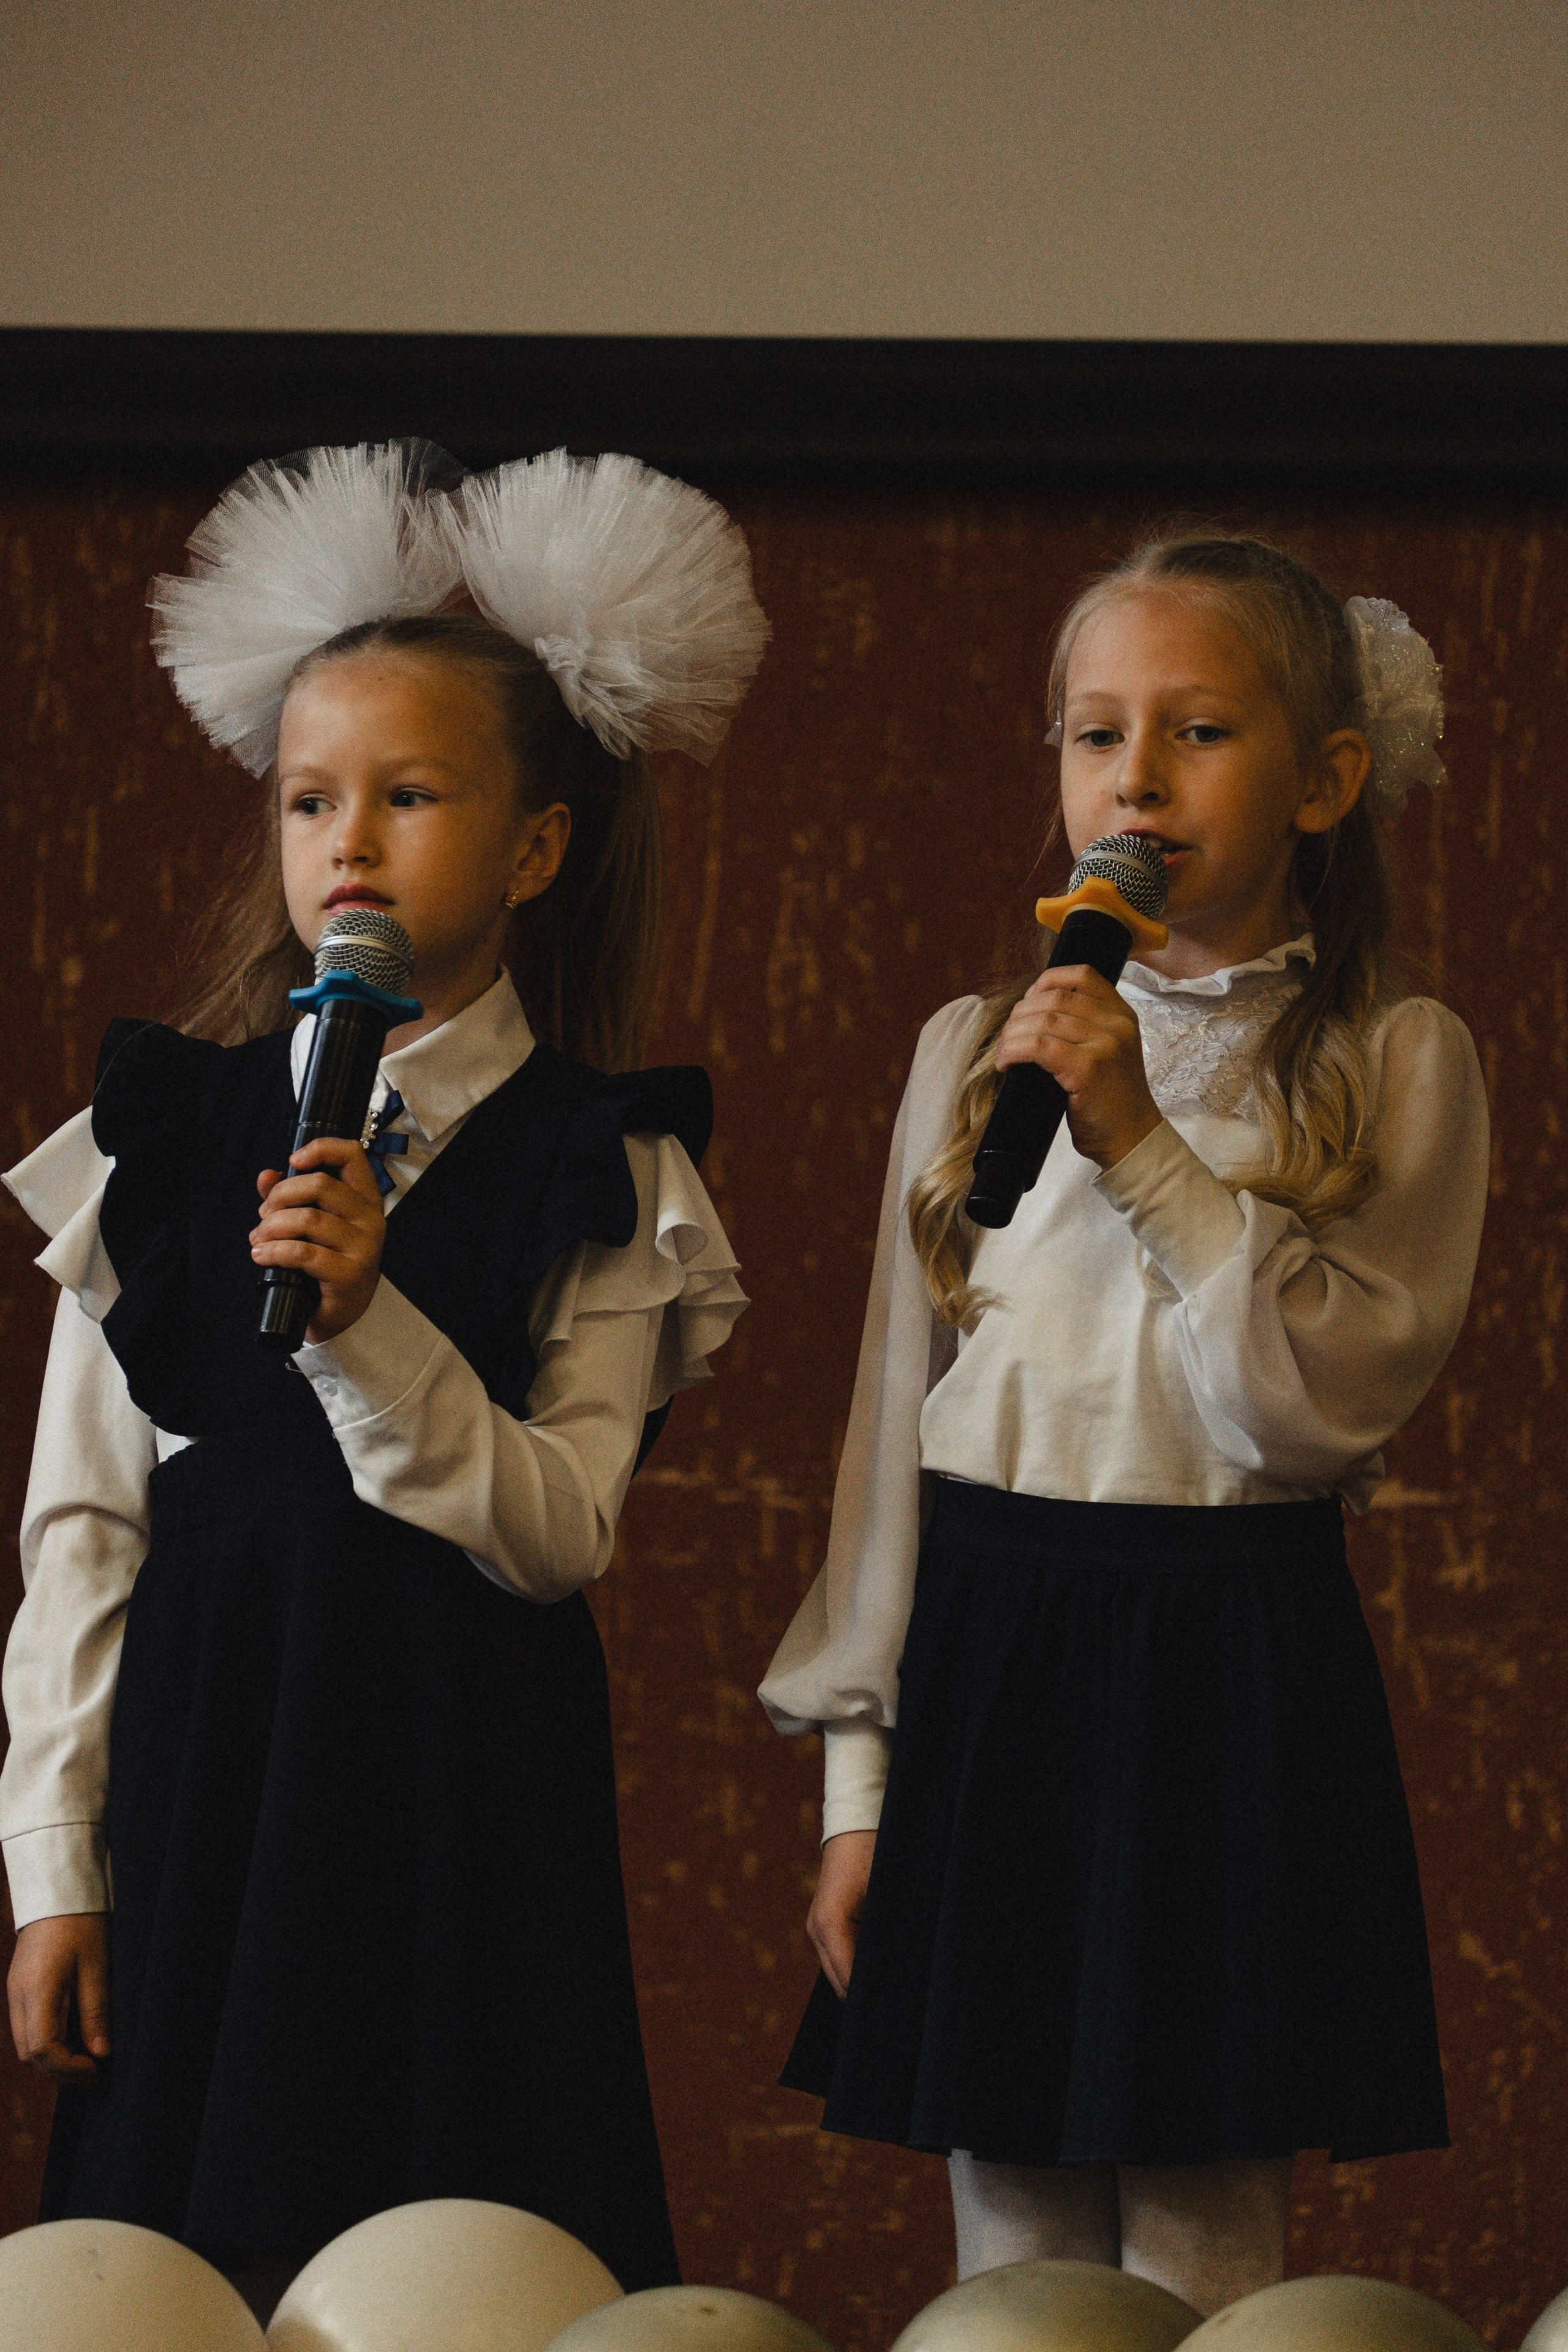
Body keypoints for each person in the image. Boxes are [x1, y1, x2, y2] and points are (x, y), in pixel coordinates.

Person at [2, 439, 767, 2313]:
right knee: (189, 2266)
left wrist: (371, 1329)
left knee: (470, 2262)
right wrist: (52, 1862)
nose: (346, 843)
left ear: (534, 847)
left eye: (409, 797)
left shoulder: (609, 1162)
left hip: (453, 1804)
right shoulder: (170, 1135)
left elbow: (558, 1525)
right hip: (212, 1787)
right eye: (307, 798)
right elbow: (84, 1526)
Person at [759, 532, 1488, 2317]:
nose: (1136, 778)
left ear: (1327, 780)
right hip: (996, 1653)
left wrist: (1142, 1145)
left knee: (1200, 2229)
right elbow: (890, 1436)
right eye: (1095, 734)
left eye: (1199, 731)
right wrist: (862, 1784)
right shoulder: (970, 1049)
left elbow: (1307, 1415)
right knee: (1012, 2234)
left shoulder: (1393, 1059)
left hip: (1222, 1655)